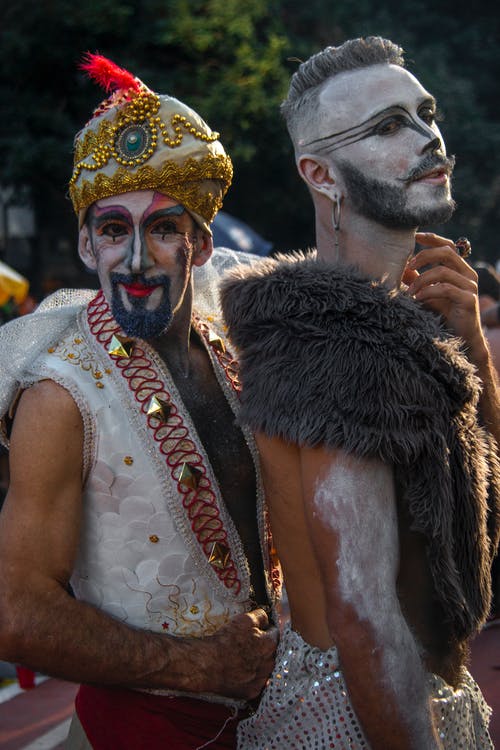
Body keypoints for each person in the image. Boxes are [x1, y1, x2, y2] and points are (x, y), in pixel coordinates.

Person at [220, 37, 500, 749]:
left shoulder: (394, 321)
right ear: (321, 173)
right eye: (386, 126)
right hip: (360, 718)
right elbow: (366, 617)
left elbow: (482, 500)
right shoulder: (341, 343)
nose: (428, 134)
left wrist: (469, 344)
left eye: (424, 112)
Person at [0, 54, 278, 749]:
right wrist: (196, 665)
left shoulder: (237, 358)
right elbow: (15, 609)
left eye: (161, 228)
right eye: (115, 230)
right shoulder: (59, 397)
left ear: (201, 243)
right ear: (87, 243)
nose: (134, 260)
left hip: (280, 719)